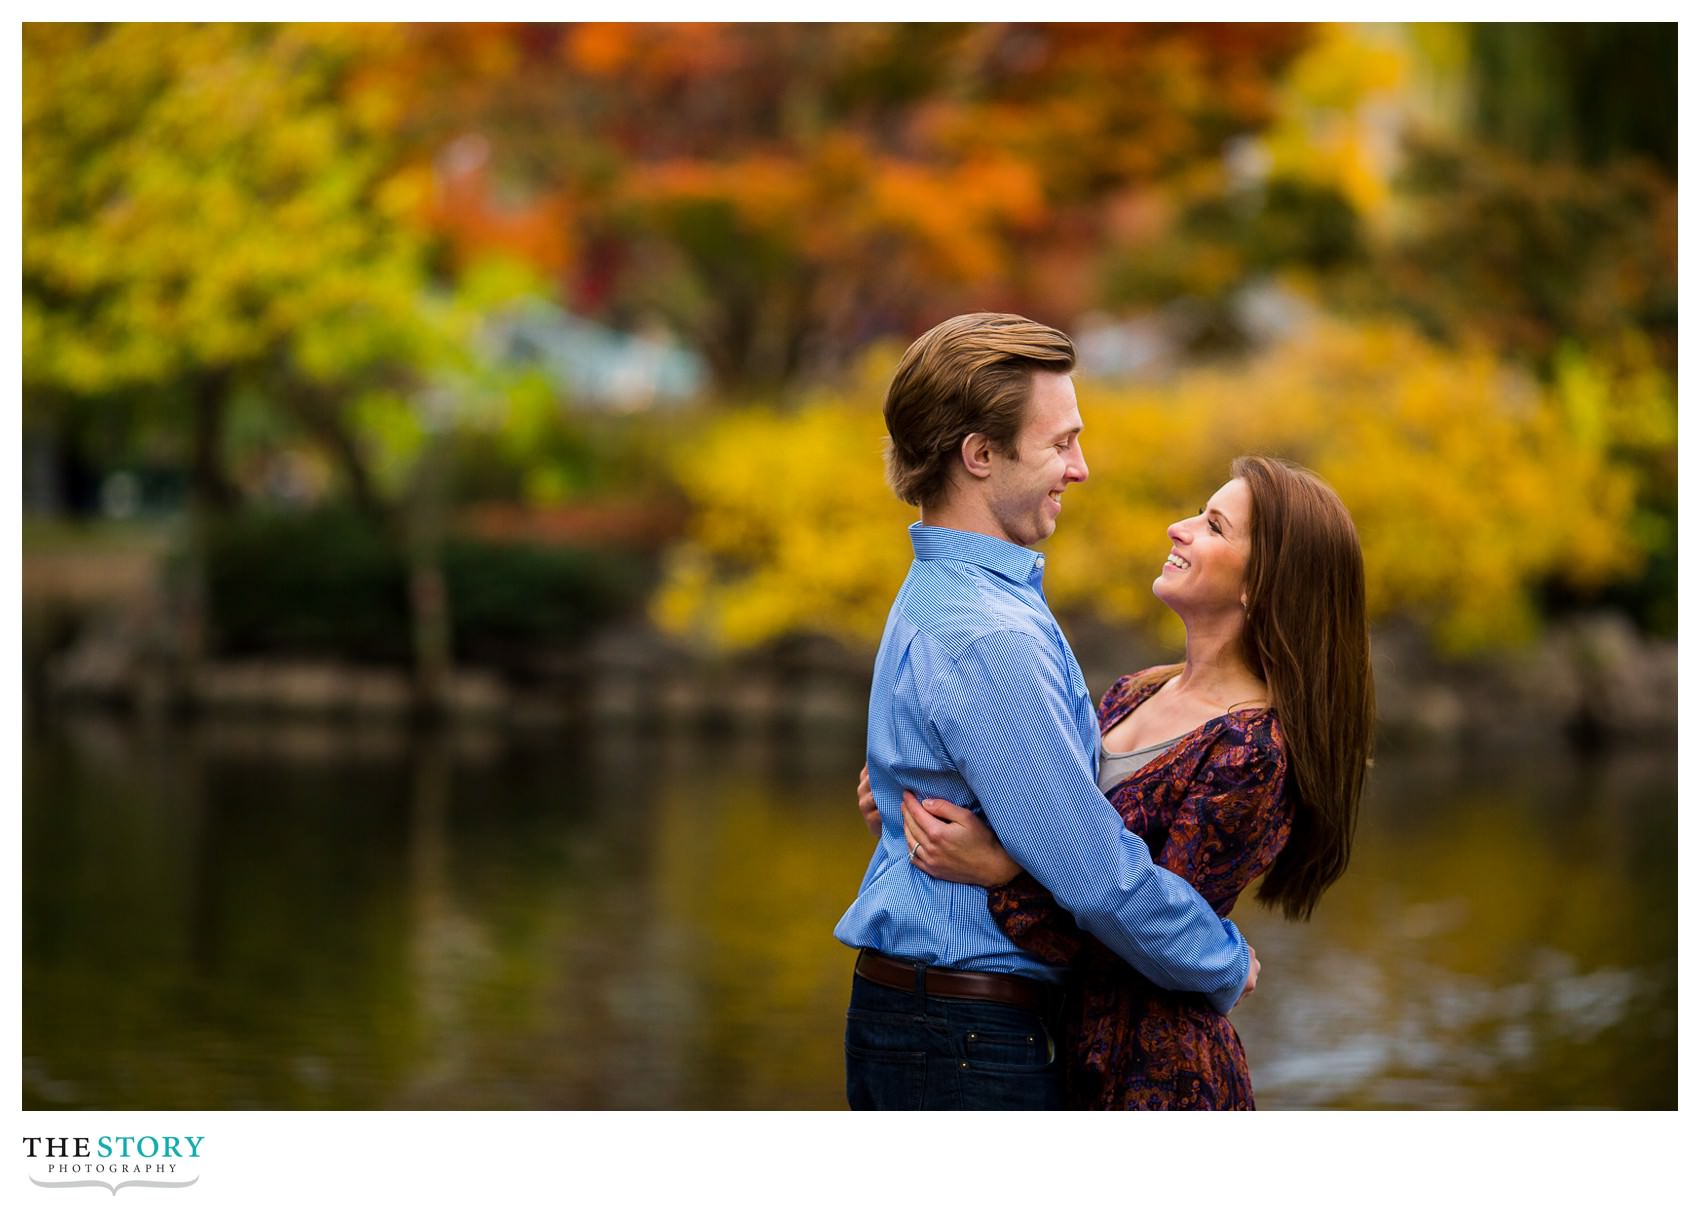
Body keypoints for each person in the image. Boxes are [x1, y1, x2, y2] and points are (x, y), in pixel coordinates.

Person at [834, 313, 1256, 1111]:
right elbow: (1097, 877)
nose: (1081, 468)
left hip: (939, 1024)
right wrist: (1222, 959)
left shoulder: (955, 596)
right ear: (981, 455)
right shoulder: (988, 633)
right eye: (1060, 443)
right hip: (962, 1036)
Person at [892, 454, 1374, 1109]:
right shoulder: (1133, 692)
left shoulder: (1253, 749)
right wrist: (919, 797)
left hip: (1154, 1074)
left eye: (1213, 526)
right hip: (1056, 1045)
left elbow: (1145, 939)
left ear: (1262, 585)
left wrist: (1005, 873)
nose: (1178, 528)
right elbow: (1042, 816)